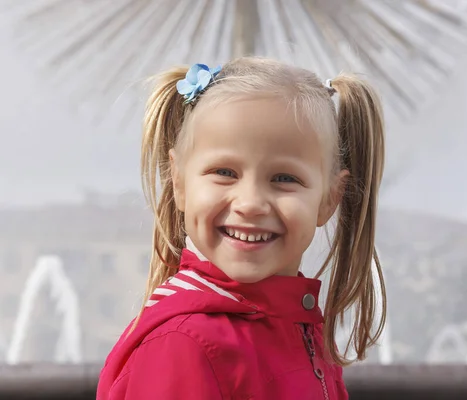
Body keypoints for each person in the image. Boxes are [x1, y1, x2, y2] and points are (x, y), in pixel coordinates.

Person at [96, 57, 386, 399]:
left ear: (329, 199)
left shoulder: (297, 326)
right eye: (224, 172)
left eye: (284, 178)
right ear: (179, 182)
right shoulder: (185, 345)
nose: (249, 203)